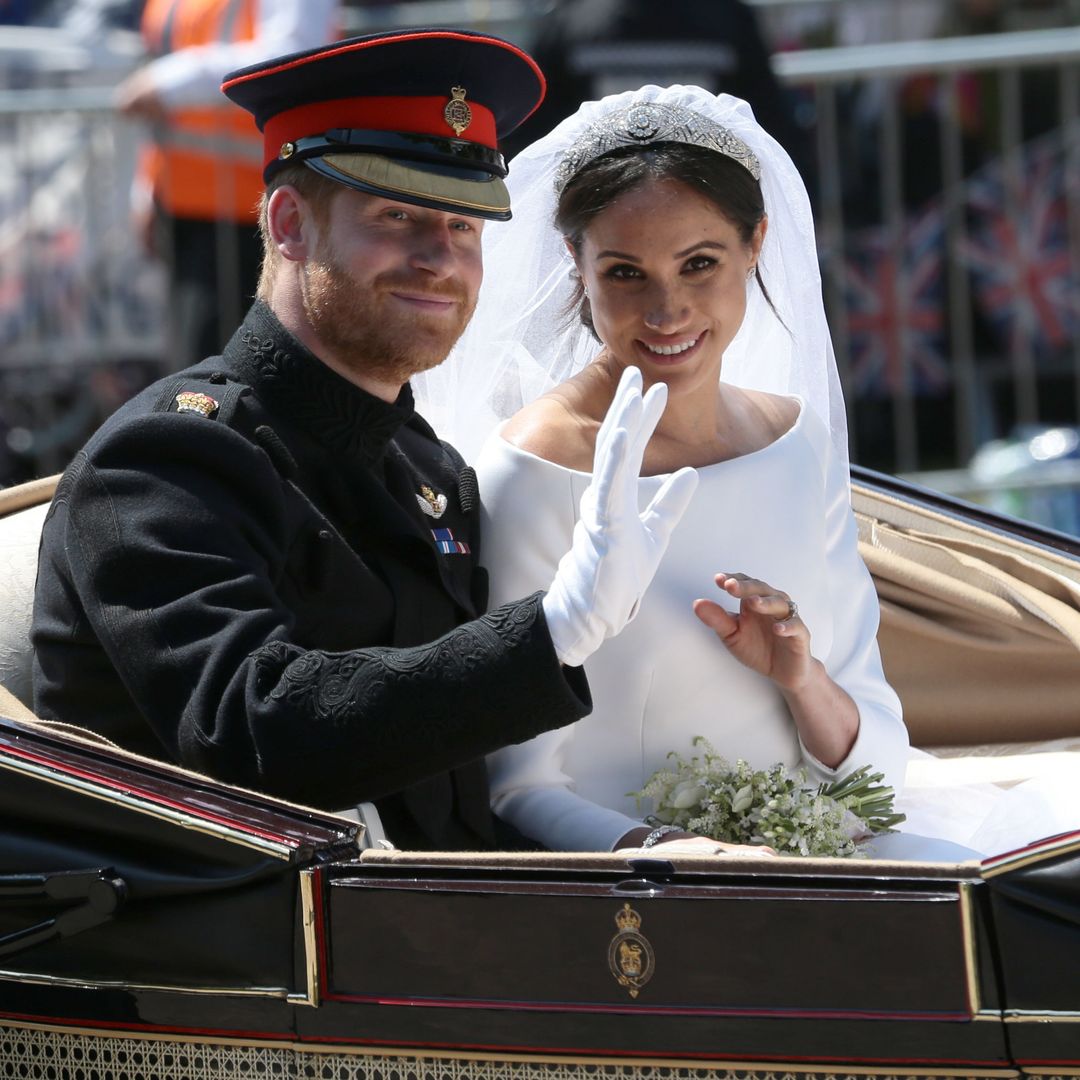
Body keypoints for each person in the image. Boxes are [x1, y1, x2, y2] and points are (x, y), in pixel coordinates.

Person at [31, 31, 700, 852]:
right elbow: (254, 732)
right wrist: (553, 629)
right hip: (248, 957)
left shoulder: (428, 467)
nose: (439, 260)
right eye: (397, 215)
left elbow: (458, 794)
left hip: (430, 930)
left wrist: (639, 845)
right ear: (289, 224)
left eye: (464, 226)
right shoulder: (166, 462)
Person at [415, 84, 915, 857]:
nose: (667, 310)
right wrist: (676, 857)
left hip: (824, 855)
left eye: (700, 263)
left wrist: (801, 678)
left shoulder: (796, 441)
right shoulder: (534, 467)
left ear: (756, 244)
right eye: (625, 273)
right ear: (576, 266)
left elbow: (878, 754)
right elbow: (515, 782)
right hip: (637, 903)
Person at [114, 0, 340, 368]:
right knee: (194, 375)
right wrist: (145, 190)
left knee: (243, 380)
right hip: (186, 211)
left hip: (260, 217)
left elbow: (290, 57)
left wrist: (171, 81)